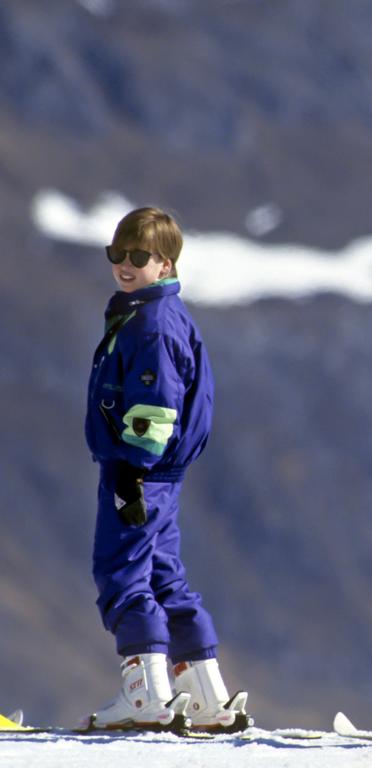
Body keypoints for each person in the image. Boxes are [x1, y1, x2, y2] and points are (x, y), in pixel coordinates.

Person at [83, 207, 248, 731]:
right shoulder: (151, 313)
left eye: (138, 256)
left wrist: (132, 471)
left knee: (122, 570)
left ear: (166, 262)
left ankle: (146, 695)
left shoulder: (151, 324)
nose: (125, 265)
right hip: (160, 476)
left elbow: (156, 403)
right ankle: (203, 694)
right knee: (163, 574)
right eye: (117, 254)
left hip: (139, 473)